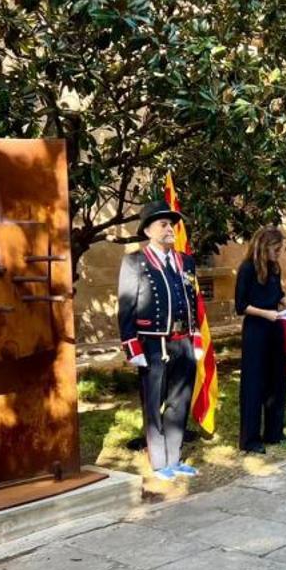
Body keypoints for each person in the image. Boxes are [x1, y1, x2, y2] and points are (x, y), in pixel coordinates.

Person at [118, 200, 204, 480]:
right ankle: (158, 463)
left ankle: (175, 458)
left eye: (172, 224)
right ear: (148, 230)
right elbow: (127, 307)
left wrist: (197, 340)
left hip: (184, 341)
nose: (170, 229)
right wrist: (132, 347)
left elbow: (193, 301)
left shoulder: (186, 261)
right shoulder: (135, 261)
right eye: (164, 224)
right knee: (153, 403)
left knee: (180, 402)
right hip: (154, 344)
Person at [235, 226, 286, 454]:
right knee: (254, 383)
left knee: (277, 380)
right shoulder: (246, 269)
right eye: (275, 249)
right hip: (256, 330)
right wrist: (266, 313)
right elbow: (241, 306)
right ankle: (250, 439)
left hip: (275, 329)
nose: (279, 254)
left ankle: (274, 433)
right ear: (263, 246)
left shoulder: (275, 269)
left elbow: (280, 297)